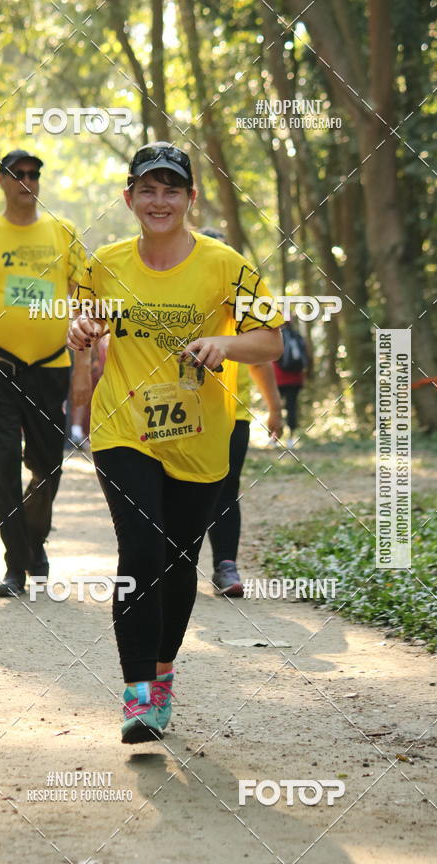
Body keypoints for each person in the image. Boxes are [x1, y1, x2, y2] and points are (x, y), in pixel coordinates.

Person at [68, 141, 283, 743]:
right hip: (124, 427)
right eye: (147, 189)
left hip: (200, 435)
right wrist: (79, 336)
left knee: (179, 560)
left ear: (190, 198)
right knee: (140, 551)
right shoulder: (104, 263)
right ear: (129, 197)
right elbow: (84, 332)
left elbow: (270, 340)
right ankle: (138, 696)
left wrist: (226, 344)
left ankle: (162, 676)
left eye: (170, 190)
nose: (158, 201)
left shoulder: (226, 265)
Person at [0, 149, 91, 597]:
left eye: (33, 174)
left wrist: (83, 369)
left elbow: (84, 303)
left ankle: (35, 541)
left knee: (48, 465)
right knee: (2, 463)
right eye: (17, 174)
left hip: (51, 366)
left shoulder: (64, 231)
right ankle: (16, 565)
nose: (26, 181)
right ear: (2, 180)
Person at [197, 228, 283, 597]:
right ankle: (175, 564)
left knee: (225, 487)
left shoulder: (242, 301)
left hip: (232, 412)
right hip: (181, 409)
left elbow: (262, 360)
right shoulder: (181, 296)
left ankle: (225, 566)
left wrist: (274, 408)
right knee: (183, 488)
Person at [273, 317, 308, 448]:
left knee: (275, 408)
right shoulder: (298, 337)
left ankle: (275, 438)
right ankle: (291, 439)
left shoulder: (275, 337)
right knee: (291, 408)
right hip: (295, 379)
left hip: (278, 378)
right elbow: (306, 358)